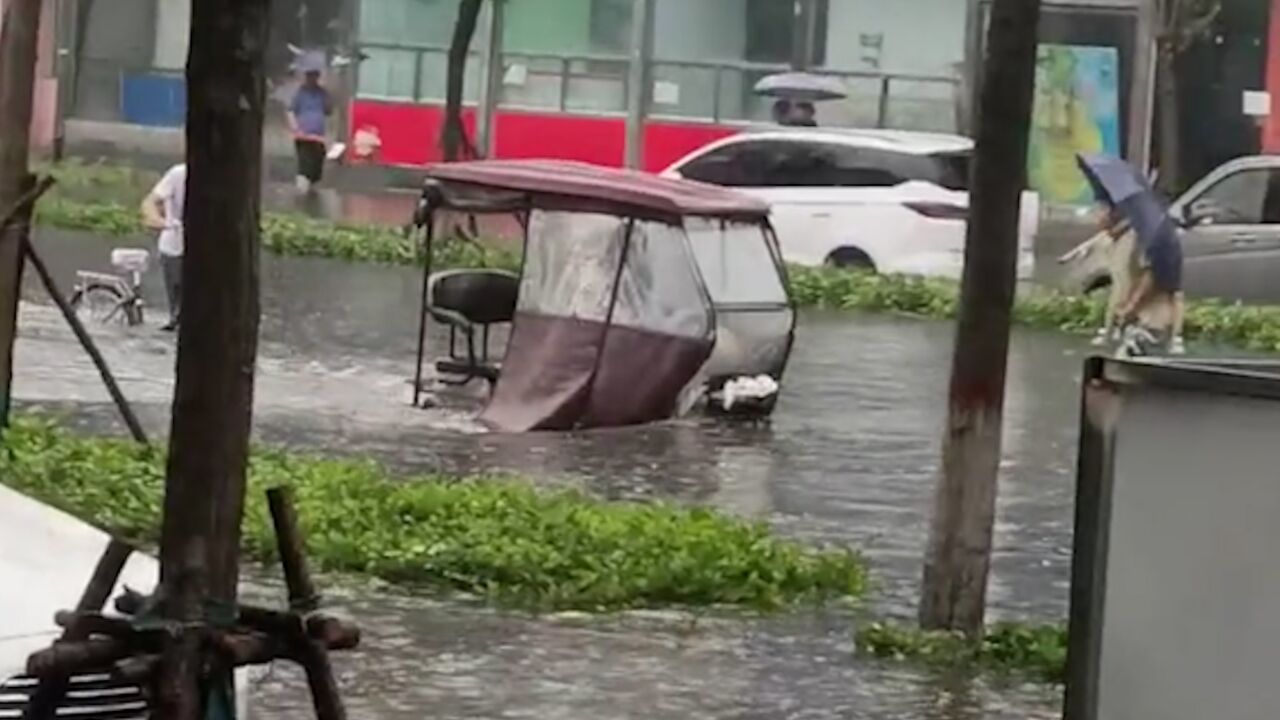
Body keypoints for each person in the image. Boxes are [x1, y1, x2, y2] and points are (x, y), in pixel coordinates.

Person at [140, 163, 187, 332]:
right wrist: (163, 223)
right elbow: (149, 203)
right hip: (174, 246)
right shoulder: (178, 174)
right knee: (178, 306)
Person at [287, 59, 333, 193]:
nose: (312, 78)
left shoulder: (322, 93)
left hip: (318, 135)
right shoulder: (300, 93)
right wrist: (295, 127)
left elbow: (328, 110)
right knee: (305, 163)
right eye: (310, 75)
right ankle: (301, 190)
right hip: (303, 134)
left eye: (315, 75)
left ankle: (312, 188)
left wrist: (329, 93)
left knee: (317, 163)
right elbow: (291, 110)